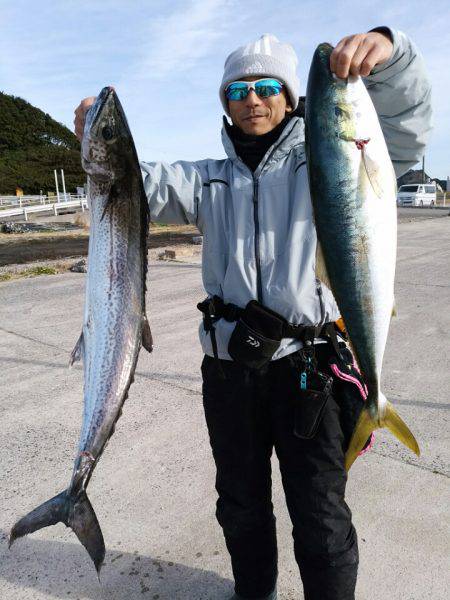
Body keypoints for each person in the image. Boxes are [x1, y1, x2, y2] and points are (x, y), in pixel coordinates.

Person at [74, 27, 432, 600]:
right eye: (237, 89)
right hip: (229, 373)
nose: (252, 97)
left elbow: (405, 132)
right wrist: (95, 137)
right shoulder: (206, 179)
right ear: (224, 102)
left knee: (320, 515)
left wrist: (393, 54)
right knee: (240, 505)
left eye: (267, 85)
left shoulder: (328, 159)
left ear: (290, 98)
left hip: (309, 372)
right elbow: (127, 184)